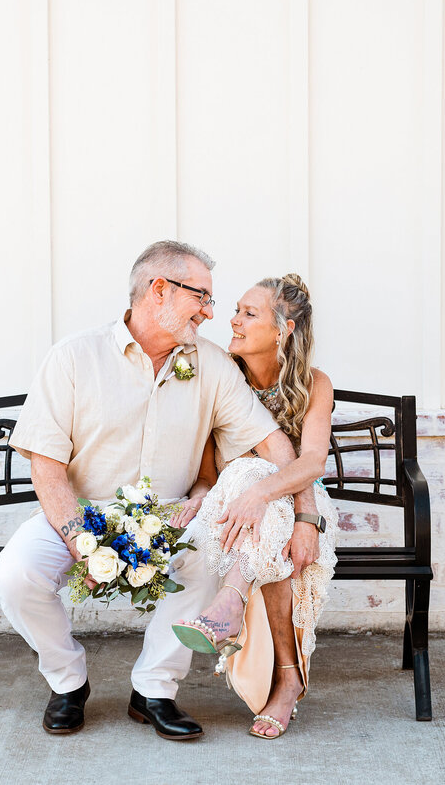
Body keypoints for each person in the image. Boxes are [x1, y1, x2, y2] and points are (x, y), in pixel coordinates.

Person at [0, 241, 305, 740]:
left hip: (173, 518)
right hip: (80, 513)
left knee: (210, 557)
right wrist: (83, 542)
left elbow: (275, 445)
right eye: (201, 296)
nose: (209, 311)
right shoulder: (74, 357)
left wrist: (299, 510)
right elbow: (47, 472)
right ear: (159, 290)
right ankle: (68, 681)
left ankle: (154, 690)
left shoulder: (212, 364)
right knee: (14, 575)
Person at [171, 273, 336, 739]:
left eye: (249, 313)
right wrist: (202, 493)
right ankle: (287, 679)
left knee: (258, 483)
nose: (233, 320)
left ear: (283, 328)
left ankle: (230, 600)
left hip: (293, 507)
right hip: (231, 509)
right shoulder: (222, 373)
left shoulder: (313, 383)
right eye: (237, 310)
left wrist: (304, 519)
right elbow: (209, 471)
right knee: (246, 476)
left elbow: (313, 462)